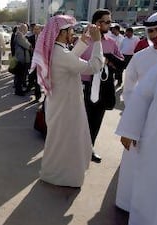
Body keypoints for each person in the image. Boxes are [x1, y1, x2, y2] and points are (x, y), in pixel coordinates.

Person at [31, 15, 103, 187]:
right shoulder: (61, 54)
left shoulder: (56, 50)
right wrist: (97, 42)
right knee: (67, 142)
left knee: (59, 142)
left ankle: (53, 173)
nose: (73, 33)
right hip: (66, 107)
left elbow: (69, 58)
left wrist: (84, 42)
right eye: (71, 30)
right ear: (62, 32)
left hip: (59, 103)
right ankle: (64, 177)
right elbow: (95, 66)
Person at [116, 11, 157, 213]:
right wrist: (133, 121)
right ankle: (130, 205)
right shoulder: (140, 58)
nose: (155, 35)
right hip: (140, 122)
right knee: (134, 166)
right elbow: (129, 90)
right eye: (151, 31)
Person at [80, 9, 124, 163]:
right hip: (84, 86)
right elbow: (73, 63)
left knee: (96, 120)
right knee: (81, 121)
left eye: (109, 21)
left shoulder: (112, 42)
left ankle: (90, 148)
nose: (107, 24)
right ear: (95, 23)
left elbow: (121, 64)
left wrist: (109, 60)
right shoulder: (84, 41)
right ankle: (76, 150)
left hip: (103, 87)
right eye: (104, 21)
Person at [14, 23, 31, 96]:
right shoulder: (19, 35)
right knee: (20, 76)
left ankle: (19, 89)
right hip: (21, 58)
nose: (27, 30)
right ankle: (18, 91)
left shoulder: (20, 35)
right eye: (26, 29)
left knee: (20, 76)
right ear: (22, 29)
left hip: (22, 57)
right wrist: (29, 45)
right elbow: (27, 45)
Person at [27, 24, 43, 101]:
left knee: (37, 79)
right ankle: (31, 90)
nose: (36, 30)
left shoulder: (43, 39)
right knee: (31, 77)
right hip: (32, 60)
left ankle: (38, 95)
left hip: (40, 61)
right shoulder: (29, 38)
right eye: (35, 29)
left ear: (40, 30)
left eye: (37, 29)